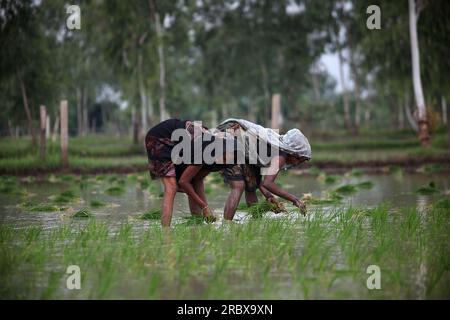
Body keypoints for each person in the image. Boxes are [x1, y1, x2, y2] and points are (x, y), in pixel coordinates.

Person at [217, 119, 311, 220]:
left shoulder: (275, 150)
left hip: (244, 152)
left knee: (251, 185)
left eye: (300, 162)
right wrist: (295, 200)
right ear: (293, 152)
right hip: (230, 140)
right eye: (298, 159)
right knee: (239, 186)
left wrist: (269, 196)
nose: (296, 163)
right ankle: (227, 225)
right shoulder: (281, 155)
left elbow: (260, 182)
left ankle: (256, 222)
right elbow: (268, 183)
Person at [145, 119, 217, 226]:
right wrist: (205, 207)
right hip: (158, 140)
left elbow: (194, 181)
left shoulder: (206, 143)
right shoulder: (201, 140)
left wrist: (206, 208)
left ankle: (197, 224)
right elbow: (184, 182)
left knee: (192, 180)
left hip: (174, 145)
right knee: (171, 187)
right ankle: (166, 232)